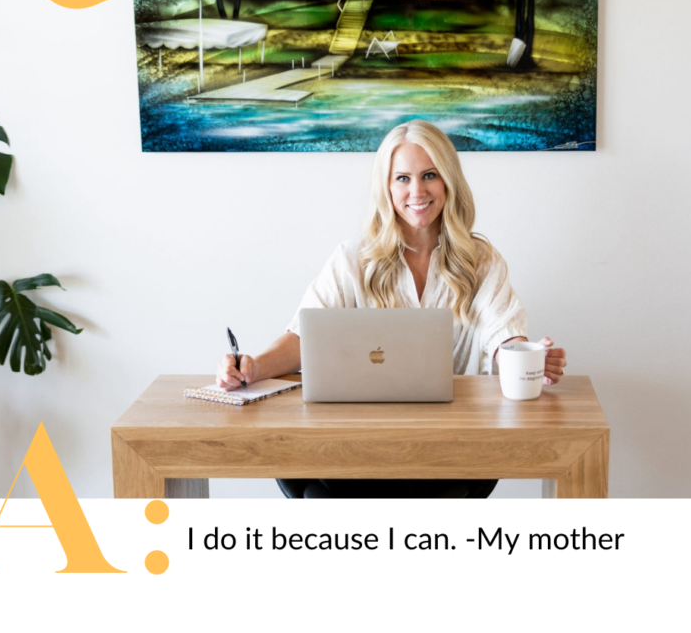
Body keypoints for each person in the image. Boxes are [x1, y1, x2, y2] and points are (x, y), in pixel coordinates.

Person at [217, 120, 567, 498]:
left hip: (450, 445)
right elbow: (304, 337)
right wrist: (251, 367)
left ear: (448, 180)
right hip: (361, 435)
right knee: (309, 473)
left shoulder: (480, 260)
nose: (417, 190)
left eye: (429, 175)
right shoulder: (352, 258)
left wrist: (526, 358)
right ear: (386, 187)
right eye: (402, 178)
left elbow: (504, 332)